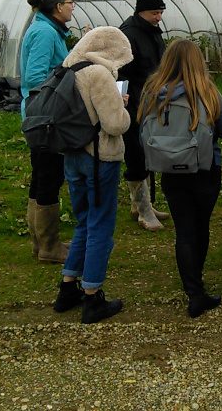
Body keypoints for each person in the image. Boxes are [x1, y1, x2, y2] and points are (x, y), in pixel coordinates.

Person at [138, 39, 222, 318]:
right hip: (204, 167)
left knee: (183, 230)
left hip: (169, 169)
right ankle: (198, 287)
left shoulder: (152, 91)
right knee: (200, 226)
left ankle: (192, 289)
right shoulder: (206, 91)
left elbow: (141, 132)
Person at [52, 27, 132, 324]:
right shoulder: (98, 74)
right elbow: (114, 125)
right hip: (99, 157)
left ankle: (67, 288)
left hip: (71, 155)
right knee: (100, 225)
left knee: (84, 221)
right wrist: (123, 108)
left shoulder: (67, 70)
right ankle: (92, 296)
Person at [20, 0, 73, 264]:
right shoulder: (45, 33)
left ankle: (41, 243)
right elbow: (35, 77)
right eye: (69, 1)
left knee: (42, 177)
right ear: (57, 7)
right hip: (45, 119)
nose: (73, 6)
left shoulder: (48, 29)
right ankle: (49, 247)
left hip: (42, 117)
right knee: (49, 177)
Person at [119, 0, 169, 231]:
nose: (158, 17)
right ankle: (143, 210)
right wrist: (125, 103)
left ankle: (141, 203)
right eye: (154, 13)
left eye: (160, 12)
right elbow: (122, 74)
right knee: (136, 154)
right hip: (134, 104)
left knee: (148, 150)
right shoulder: (129, 35)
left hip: (152, 101)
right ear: (141, 11)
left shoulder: (152, 32)